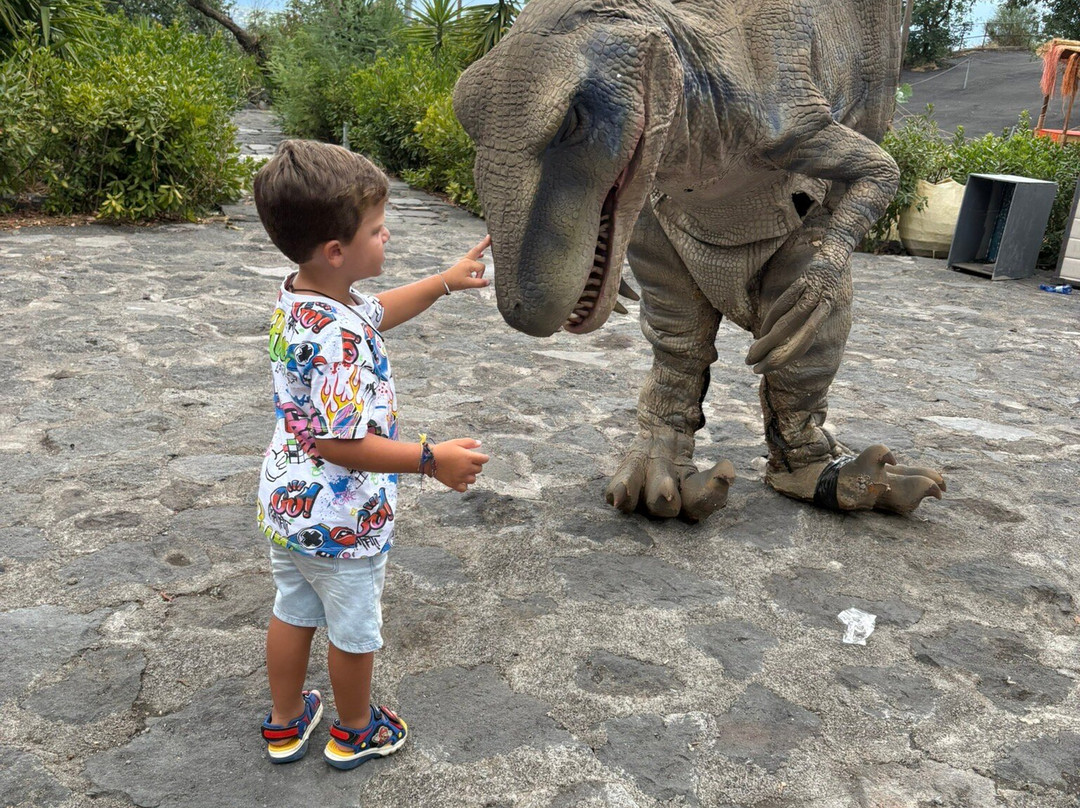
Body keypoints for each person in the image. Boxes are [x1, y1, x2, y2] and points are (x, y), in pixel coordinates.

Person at [251, 139, 490, 769]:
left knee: (292, 610)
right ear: (338, 251)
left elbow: (374, 313)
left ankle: (284, 722)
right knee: (353, 630)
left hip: (286, 502)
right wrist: (429, 458)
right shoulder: (339, 335)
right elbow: (340, 442)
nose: (388, 239)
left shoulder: (305, 298)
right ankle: (355, 728)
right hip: (340, 516)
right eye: (379, 230)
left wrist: (442, 282)